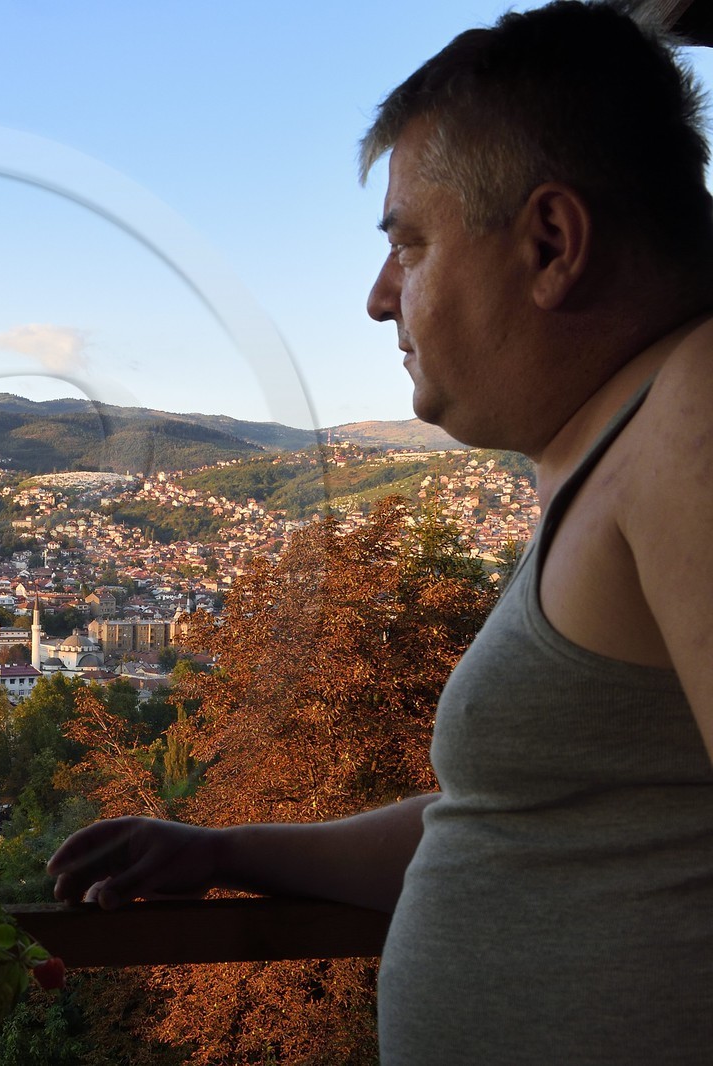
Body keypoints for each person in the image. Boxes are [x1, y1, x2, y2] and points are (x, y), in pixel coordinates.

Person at [47, 2, 713, 1061]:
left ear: (551, 243)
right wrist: (224, 848)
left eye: (409, 241)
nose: (375, 298)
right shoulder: (619, 453)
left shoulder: (694, 410)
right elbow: (501, 823)